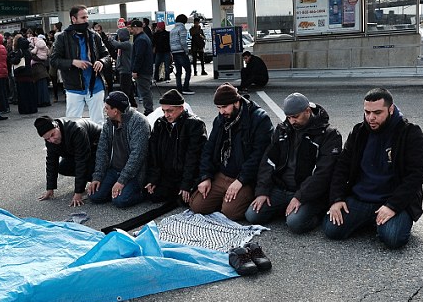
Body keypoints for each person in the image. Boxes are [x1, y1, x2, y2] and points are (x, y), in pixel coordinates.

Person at [324, 88, 423, 249]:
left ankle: (381, 221)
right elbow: (342, 167)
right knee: (332, 230)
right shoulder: (359, 132)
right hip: (361, 197)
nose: (371, 117)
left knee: (393, 239)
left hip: (392, 199)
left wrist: (392, 206)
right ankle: (371, 220)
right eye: (367, 112)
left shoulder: (410, 132)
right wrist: (336, 200)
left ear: (391, 109)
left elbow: (417, 174)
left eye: (377, 113)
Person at [245, 93, 342, 233]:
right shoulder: (283, 129)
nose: (291, 121)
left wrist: (300, 196)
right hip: (281, 188)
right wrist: (262, 191)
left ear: (307, 111)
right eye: (289, 117)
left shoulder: (329, 135)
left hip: (308, 192)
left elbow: (323, 173)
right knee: (252, 215)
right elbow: (268, 161)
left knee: (295, 224)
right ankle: (287, 209)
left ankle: (316, 213)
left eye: (295, 117)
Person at [189, 83, 273, 221]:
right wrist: (206, 176)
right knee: (197, 206)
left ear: (236, 102)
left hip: (244, 178)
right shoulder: (220, 119)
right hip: (222, 174)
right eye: (218, 108)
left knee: (231, 213)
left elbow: (259, 155)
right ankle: (224, 199)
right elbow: (208, 149)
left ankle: (233, 200)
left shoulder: (259, 119)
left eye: (225, 107)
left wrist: (241, 180)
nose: (222, 112)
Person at [50, 5, 111, 126]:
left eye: (87, 17)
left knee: (98, 122)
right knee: (73, 124)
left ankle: (98, 144)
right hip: (74, 87)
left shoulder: (94, 36)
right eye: (83, 17)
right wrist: (73, 62)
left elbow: (107, 56)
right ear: (73, 19)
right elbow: (53, 60)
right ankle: (76, 145)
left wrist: (102, 62)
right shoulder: (62, 37)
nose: (86, 20)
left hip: (96, 85)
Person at [88, 91, 150, 208]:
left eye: (107, 108)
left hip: (134, 173)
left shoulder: (139, 122)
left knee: (120, 201)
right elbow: (102, 150)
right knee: (94, 195)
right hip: (114, 170)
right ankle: (113, 191)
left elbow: (137, 156)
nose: (105, 110)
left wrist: (121, 181)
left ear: (115, 111)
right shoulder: (108, 123)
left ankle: (144, 193)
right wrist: (97, 176)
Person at [146, 89, 207, 203]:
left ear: (181, 108)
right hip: (167, 175)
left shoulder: (195, 125)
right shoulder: (160, 124)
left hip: (186, 175)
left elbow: (193, 157)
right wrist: (153, 179)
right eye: (164, 111)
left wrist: (186, 184)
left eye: (170, 111)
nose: (166, 115)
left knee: (186, 201)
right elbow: (154, 154)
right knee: (152, 196)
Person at [34, 115, 102, 207]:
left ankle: (99, 177)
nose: (52, 140)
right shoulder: (50, 139)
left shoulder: (76, 130)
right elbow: (51, 162)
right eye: (47, 139)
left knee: (87, 168)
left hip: (97, 146)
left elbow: (81, 161)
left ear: (56, 126)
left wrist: (78, 192)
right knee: (63, 168)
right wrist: (50, 188)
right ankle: (86, 179)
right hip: (76, 150)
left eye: (52, 135)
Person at [130, 19, 154, 116]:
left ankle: (149, 110)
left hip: (143, 71)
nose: (131, 31)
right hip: (146, 69)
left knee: (145, 91)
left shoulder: (140, 40)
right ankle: (149, 109)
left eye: (132, 28)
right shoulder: (144, 38)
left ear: (136, 28)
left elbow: (139, 56)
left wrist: (135, 70)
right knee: (146, 90)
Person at [110, 28, 137, 107]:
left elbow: (116, 44)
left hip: (126, 70)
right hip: (123, 69)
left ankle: (127, 104)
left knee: (125, 89)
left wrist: (110, 39)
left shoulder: (127, 44)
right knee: (129, 89)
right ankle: (132, 103)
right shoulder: (124, 44)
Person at [169, 14, 194, 95]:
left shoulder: (173, 30)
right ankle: (185, 87)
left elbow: (170, 42)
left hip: (174, 52)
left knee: (178, 72)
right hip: (181, 51)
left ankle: (179, 89)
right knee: (188, 70)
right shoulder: (182, 28)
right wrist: (186, 51)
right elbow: (183, 41)